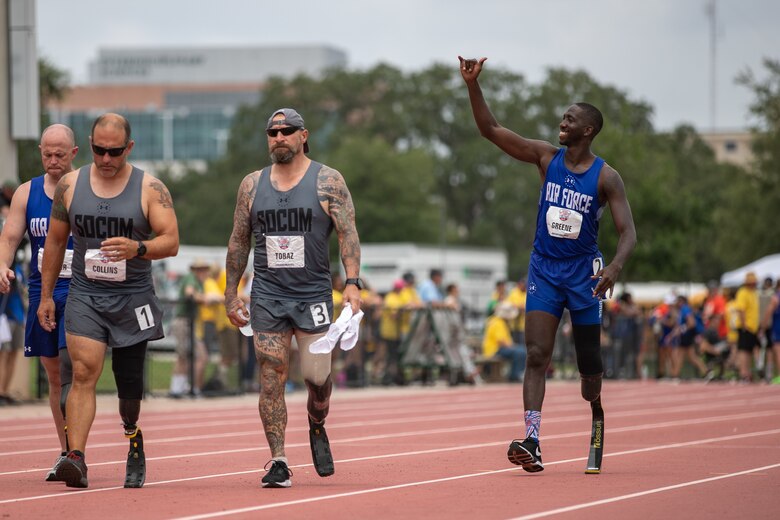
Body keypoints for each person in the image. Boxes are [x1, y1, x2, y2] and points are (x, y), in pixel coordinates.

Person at [460, 57, 636, 472]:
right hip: (544, 269)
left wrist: (614, 267)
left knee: (588, 364)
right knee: (537, 353)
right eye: (563, 117)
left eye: (570, 118)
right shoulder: (545, 158)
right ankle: (533, 440)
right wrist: (472, 85)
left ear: (588, 130)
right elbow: (491, 130)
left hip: (584, 274)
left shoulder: (607, 177)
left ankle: (594, 401)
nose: (563, 121)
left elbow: (628, 233)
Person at [37, 113, 180, 489]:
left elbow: (171, 240)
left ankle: (132, 432)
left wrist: (139, 247)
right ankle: (77, 458)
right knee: (82, 373)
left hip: (132, 299)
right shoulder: (70, 184)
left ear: (128, 148)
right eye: (99, 150)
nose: (105, 159)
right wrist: (47, 295)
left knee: (128, 387)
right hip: (86, 295)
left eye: (114, 151)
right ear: (90, 144)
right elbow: (54, 242)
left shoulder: (150, 188)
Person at [224, 108, 361, 488]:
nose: (279, 137)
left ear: (304, 135)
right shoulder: (252, 185)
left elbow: (348, 233)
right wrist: (231, 291)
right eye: (273, 132)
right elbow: (238, 241)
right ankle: (278, 460)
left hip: (313, 292)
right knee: (271, 376)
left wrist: (353, 282)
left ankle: (317, 420)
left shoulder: (328, 180)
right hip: (268, 293)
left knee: (317, 378)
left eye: (287, 131)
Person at [0, 124, 78, 478]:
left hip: (81, 291)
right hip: (42, 291)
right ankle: (65, 451)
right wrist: (2, 262)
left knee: (72, 370)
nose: (52, 160)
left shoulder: (88, 189)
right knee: (54, 377)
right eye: (47, 153)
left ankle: (77, 450)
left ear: (74, 153)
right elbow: (11, 235)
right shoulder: (25, 193)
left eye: (60, 154)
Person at [168, 259, 211, 398]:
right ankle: (184, 388)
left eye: (205, 269)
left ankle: (182, 388)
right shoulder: (191, 278)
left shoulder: (198, 282)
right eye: (201, 269)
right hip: (183, 321)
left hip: (188, 322)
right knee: (190, 356)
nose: (204, 272)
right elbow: (189, 293)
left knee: (187, 356)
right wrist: (204, 298)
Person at [482, 302, 527, 382]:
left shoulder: (494, 320)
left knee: (520, 350)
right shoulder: (498, 323)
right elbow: (501, 341)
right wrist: (513, 346)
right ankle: (514, 375)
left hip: (496, 349)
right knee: (520, 351)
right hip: (495, 350)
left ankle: (515, 374)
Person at [734, 271, 761, 382]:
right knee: (743, 350)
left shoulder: (754, 293)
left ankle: (747, 372)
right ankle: (743, 373)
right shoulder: (743, 292)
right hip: (746, 327)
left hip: (753, 328)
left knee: (749, 350)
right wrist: (744, 324)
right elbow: (741, 309)